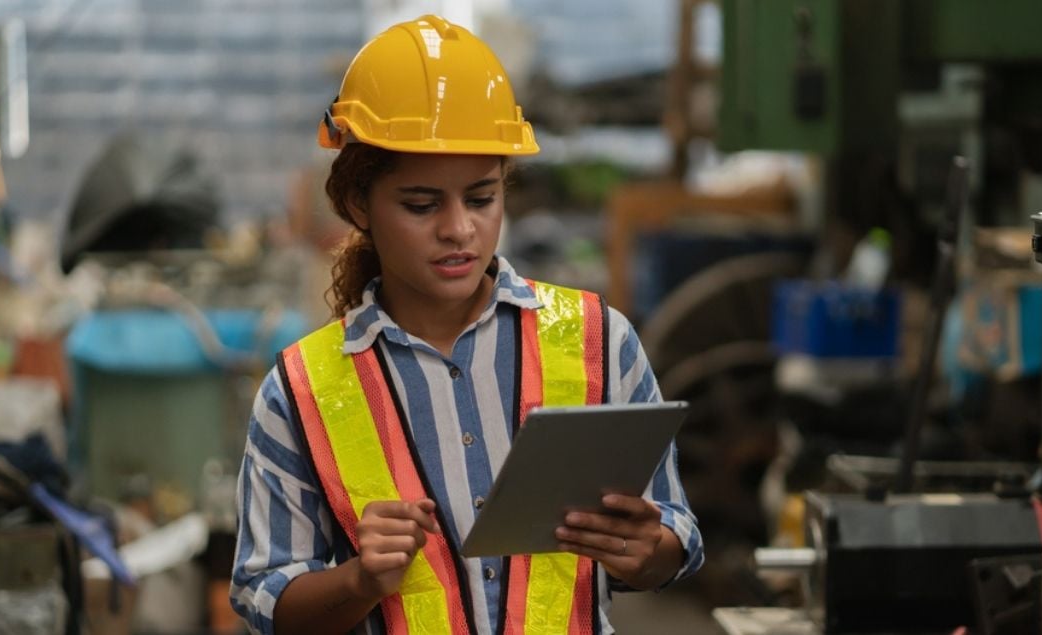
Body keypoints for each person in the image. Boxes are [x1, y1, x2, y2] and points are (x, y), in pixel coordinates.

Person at [230, 14, 703, 635]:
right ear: (355, 204)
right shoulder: (302, 391)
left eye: (482, 198)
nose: (459, 229)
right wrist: (358, 581)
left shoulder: (596, 341)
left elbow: (675, 534)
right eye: (421, 205)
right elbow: (266, 598)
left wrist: (650, 552)